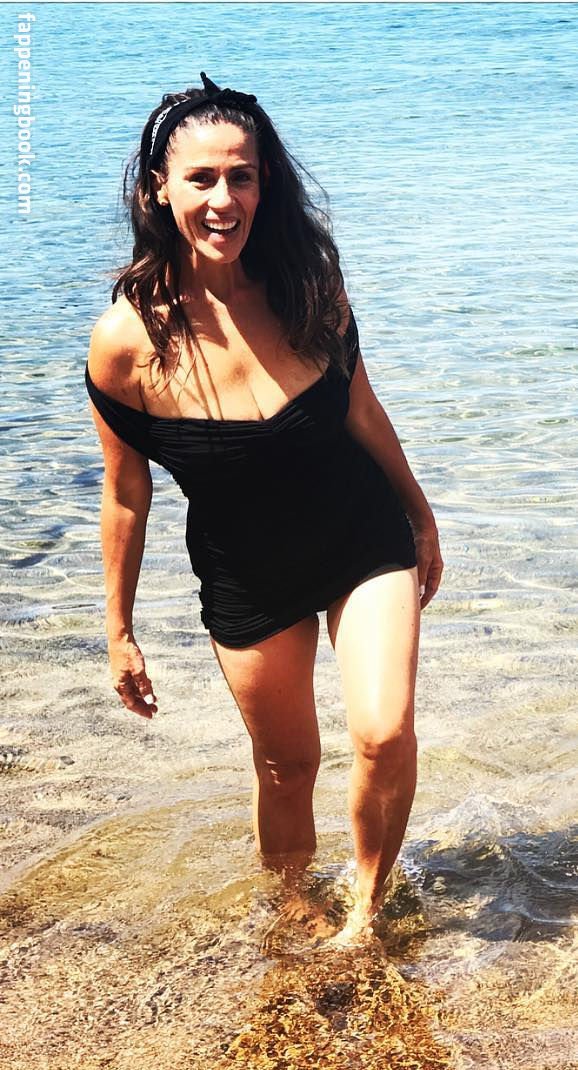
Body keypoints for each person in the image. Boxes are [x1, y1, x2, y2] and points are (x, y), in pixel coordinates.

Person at [85, 72, 443, 943]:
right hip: (247, 571)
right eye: (201, 178)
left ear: (264, 183)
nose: (223, 199)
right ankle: (292, 913)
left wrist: (421, 515)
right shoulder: (127, 342)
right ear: (158, 190)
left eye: (240, 176)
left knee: (383, 732)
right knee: (287, 766)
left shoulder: (308, 284)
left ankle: (363, 915)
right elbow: (126, 493)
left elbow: (360, 408)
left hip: (360, 538)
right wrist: (119, 631)